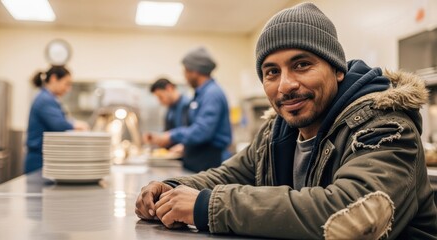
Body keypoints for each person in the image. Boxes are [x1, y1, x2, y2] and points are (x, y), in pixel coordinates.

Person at [136, 3, 437, 238]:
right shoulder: (276, 131)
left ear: (337, 70)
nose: (285, 85)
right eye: (272, 72)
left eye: (302, 64)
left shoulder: (385, 125)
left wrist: (206, 206)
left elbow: (353, 214)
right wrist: (172, 187)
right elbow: (228, 175)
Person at [146, 47, 232, 172]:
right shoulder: (201, 94)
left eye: (185, 70)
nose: (184, 76)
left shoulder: (212, 94)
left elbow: (202, 131)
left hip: (211, 160)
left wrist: (172, 135)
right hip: (200, 158)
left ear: (195, 71)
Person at [25, 65, 88, 174]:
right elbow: (59, 125)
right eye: (66, 84)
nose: (68, 89)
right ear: (54, 79)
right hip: (39, 160)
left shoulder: (48, 98)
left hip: (43, 158)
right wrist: (77, 125)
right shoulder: (45, 99)